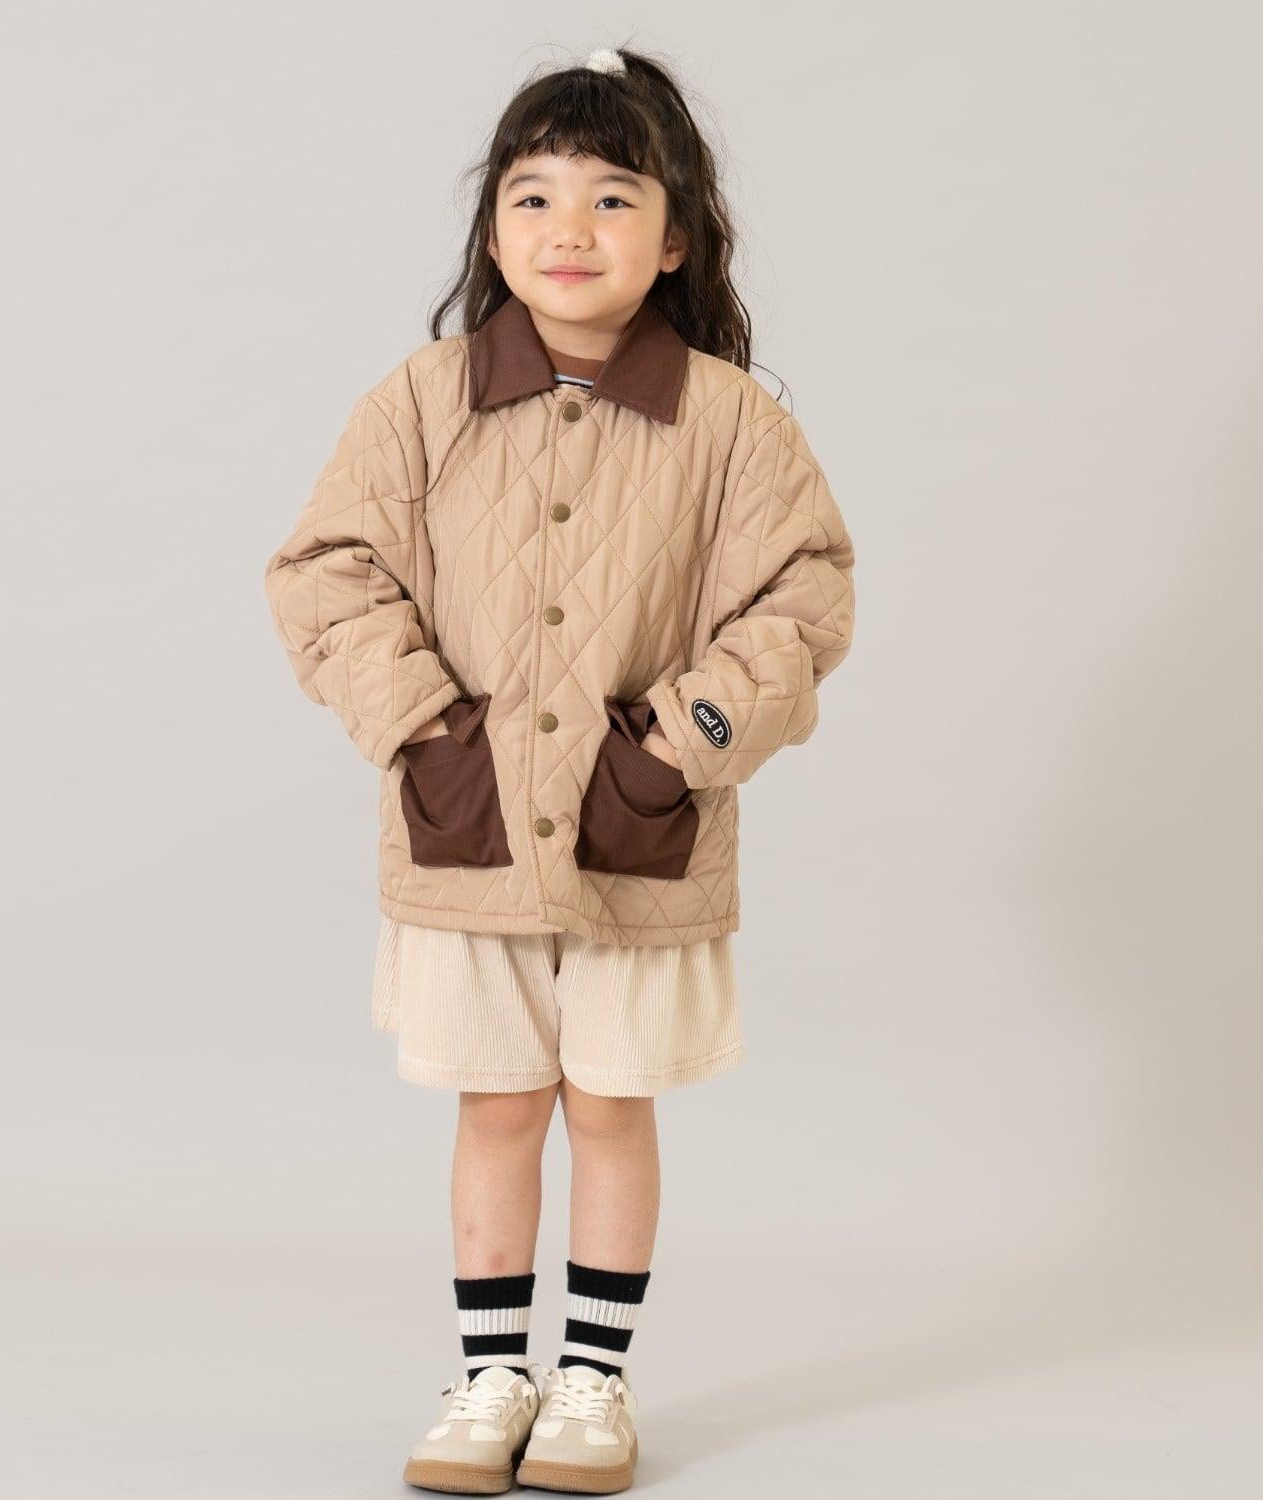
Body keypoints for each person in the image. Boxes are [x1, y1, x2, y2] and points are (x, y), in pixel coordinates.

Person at [263, 43, 856, 1495]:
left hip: (638, 838)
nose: (568, 229)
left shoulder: (731, 421)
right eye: (532, 196)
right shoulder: (422, 402)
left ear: (676, 238)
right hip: (467, 834)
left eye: (611, 198)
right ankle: (488, 1379)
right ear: (492, 229)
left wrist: (679, 747)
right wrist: (427, 732)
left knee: (609, 1105)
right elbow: (327, 572)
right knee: (498, 1105)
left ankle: (593, 1381)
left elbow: (800, 602)